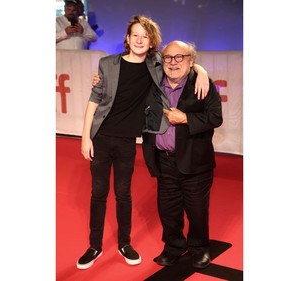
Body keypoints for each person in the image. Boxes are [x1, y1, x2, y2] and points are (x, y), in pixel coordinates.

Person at [77, 16, 210, 270]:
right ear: (127, 39)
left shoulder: (156, 63)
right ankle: (94, 246)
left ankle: (124, 243)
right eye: (135, 35)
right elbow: (94, 100)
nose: (139, 40)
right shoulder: (107, 64)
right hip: (101, 137)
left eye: (144, 36)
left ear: (151, 42)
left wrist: (200, 70)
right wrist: (85, 137)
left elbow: (181, 60)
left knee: (124, 193)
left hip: (128, 140)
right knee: (99, 193)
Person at [141, 40, 223, 269]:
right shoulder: (153, 84)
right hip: (164, 161)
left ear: (191, 60)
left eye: (180, 57)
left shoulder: (202, 84)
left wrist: (186, 118)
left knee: (197, 211)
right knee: (168, 210)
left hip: (195, 163)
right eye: (168, 57)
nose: (173, 62)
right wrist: (100, 82)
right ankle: (173, 247)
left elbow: (215, 118)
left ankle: (199, 248)